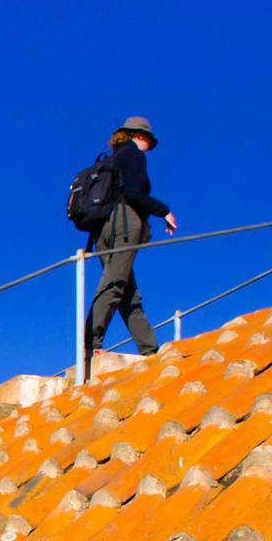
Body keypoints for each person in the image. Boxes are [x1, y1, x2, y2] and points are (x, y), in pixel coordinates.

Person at [84, 116, 178, 372]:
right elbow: (136, 194)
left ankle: (149, 348)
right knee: (115, 282)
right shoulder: (134, 156)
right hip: (125, 222)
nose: (149, 144)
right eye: (148, 138)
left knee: (127, 292)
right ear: (139, 136)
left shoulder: (113, 159)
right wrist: (164, 211)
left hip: (102, 230)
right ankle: (90, 343)